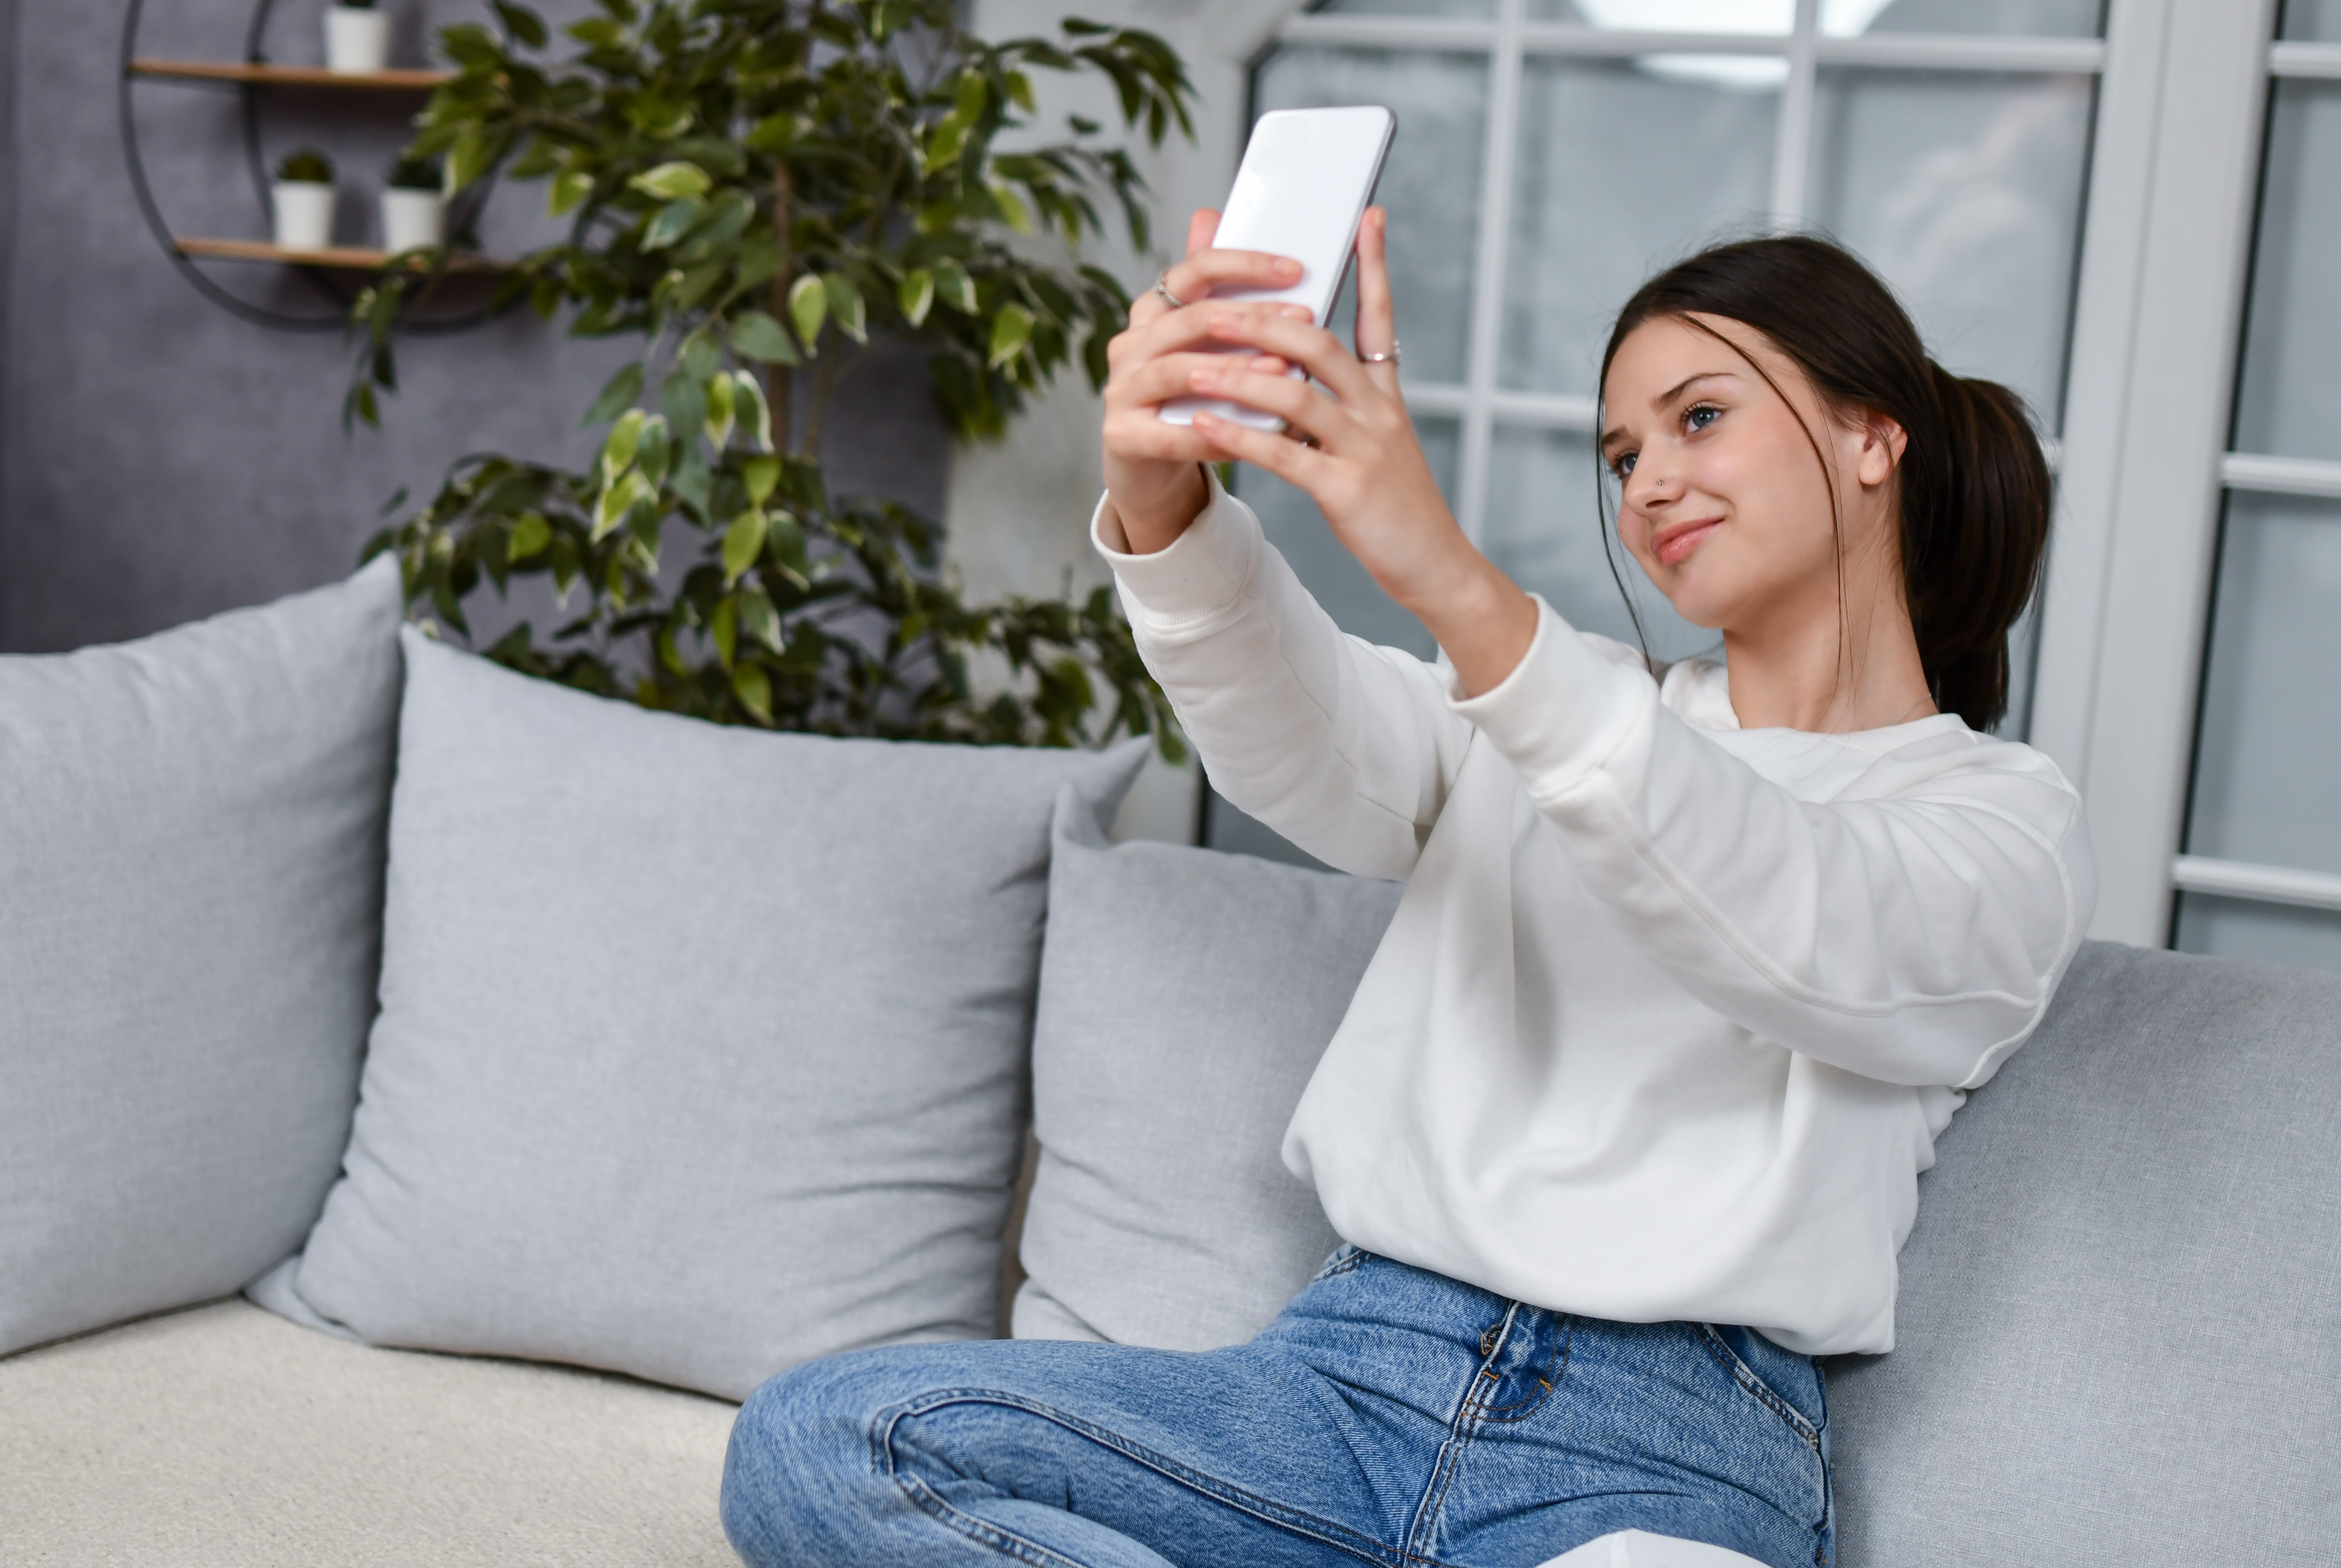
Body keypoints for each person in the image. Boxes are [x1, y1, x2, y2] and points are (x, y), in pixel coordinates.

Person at [718, 210, 2095, 1568]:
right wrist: (1162, 499)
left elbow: (1792, 916)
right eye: (1623, 455)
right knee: (828, 1443)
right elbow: (1303, 723)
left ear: (1871, 438)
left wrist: (1446, 574)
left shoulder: (1997, 822)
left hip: (1665, 1458)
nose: (1649, 486)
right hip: (1340, 1389)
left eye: (1699, 418)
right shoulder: (1545, 709)